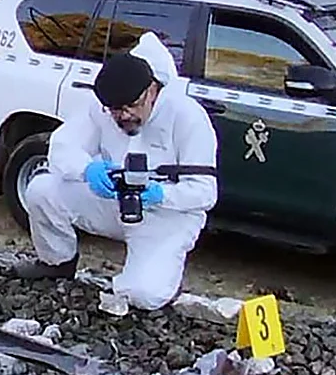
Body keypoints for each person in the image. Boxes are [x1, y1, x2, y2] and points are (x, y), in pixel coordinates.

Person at [13, 32, 218, 310]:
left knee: (142, 295)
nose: (123, 116)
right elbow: (61, 147)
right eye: (115, 110)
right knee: (40, 190)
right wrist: (88, 169)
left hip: (166, 216)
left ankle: (161, 274)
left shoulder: (188, 117)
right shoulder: (103, 109)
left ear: (152, 90)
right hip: (113, 202)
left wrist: (158, 193)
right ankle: (57, 263)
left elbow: (205, 194)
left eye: (130, 107)